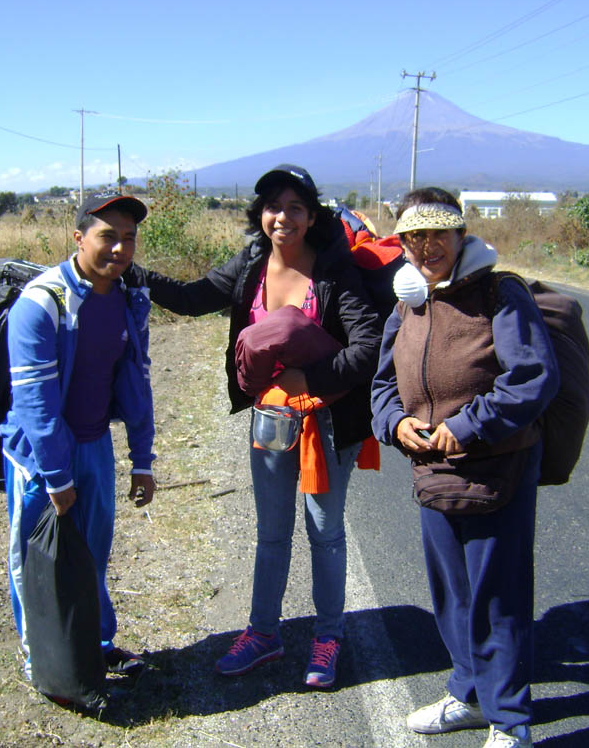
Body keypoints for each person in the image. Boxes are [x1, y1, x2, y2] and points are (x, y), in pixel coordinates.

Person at [125, 164, 381, 688]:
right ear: (259, 215)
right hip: (270, 421)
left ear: (311, 216)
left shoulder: (334, 271)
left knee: (325, 533)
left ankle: (327, 639)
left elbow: (368, 348)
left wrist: (308, 374)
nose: (282, 217)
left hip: (326, 425)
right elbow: (196, 298)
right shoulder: (250, 265)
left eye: (294, 207)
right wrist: (134, 272)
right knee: (271, 534)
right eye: (272, 206)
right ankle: (263, 633)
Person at [370, 188, 559, 748]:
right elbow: (383, 383)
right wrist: (394, 424)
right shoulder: (408, 302)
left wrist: (468, 425)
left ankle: (510, 722)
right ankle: (469, 694)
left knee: (496, 593)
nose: (427, 247)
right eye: (413, 236)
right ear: (401, 242)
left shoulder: (501, 293)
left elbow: (532, 378)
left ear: (461, 235)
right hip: (433, 468)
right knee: (452, 591)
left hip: (496, 467)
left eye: (438, 234)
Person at [2, 194, 157, 680]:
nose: (120, 249)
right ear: (78, 238)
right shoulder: (42, 302)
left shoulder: (128, 299)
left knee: (92, 551)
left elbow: (134, 381)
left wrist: (142, 459)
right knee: (38, 558)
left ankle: (96, 641)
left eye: (128, 238)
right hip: (41, 456)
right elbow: (35, 404)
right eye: (107, 236)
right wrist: (55, 474)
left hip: (95, 447)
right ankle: (41, 656)